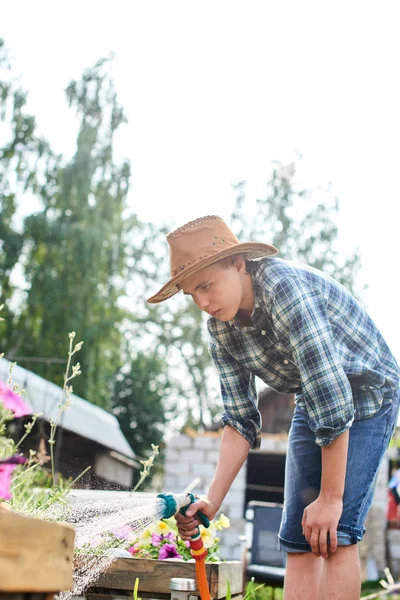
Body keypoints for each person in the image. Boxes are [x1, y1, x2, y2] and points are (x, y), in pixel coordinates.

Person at [147, 215, 400, 600]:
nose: (202, 302)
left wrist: (330, 498)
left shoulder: (285, 292)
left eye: (206, 286)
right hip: (313, 398)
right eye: (190, 294)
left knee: (336, 529)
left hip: (369, 394)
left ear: (238, 263)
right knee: (299, 534)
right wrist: (212, 500)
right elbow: (240, 421)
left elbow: (334, 401)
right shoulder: (220, 330)